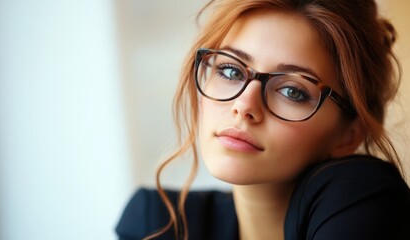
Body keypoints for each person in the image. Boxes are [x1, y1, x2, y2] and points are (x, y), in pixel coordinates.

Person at [116, 0, 410, 239]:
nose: (244, 105)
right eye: (231, 71)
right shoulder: (156, 223)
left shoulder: (362, 199)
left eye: (292, 91)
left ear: (349, 134)